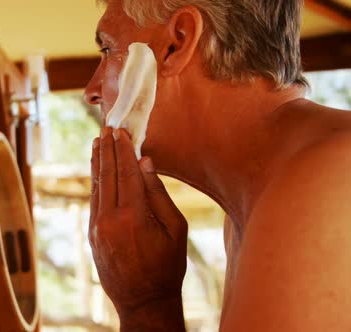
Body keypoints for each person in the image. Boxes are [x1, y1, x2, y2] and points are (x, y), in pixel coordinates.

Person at [84, 0, 351, 331]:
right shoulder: (251, 208)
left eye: (108, 49)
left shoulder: (323, 185)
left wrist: (146, 305)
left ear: (175, 43)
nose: (91, 92)